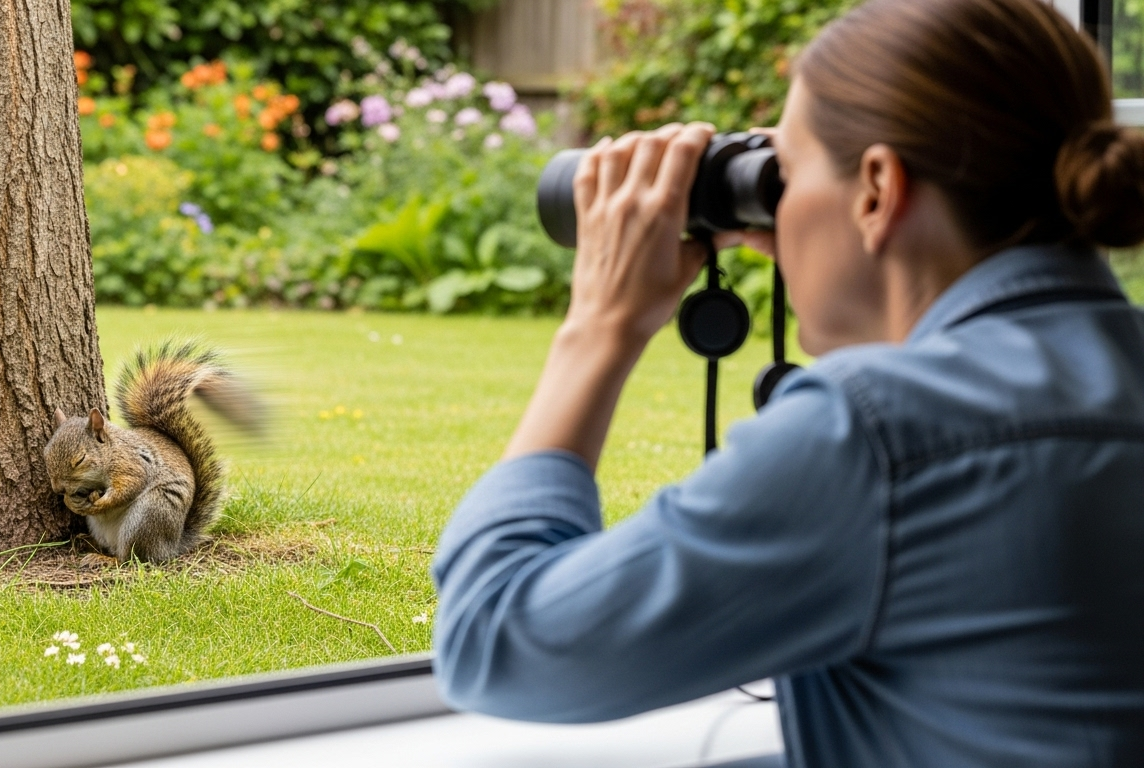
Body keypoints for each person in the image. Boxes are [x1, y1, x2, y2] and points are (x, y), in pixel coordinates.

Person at [429, 0, 1144, 765]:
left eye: (784, 177)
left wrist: (597, 329)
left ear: (875, 190)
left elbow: (495, 641)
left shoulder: (878, 438)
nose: (764, 228)